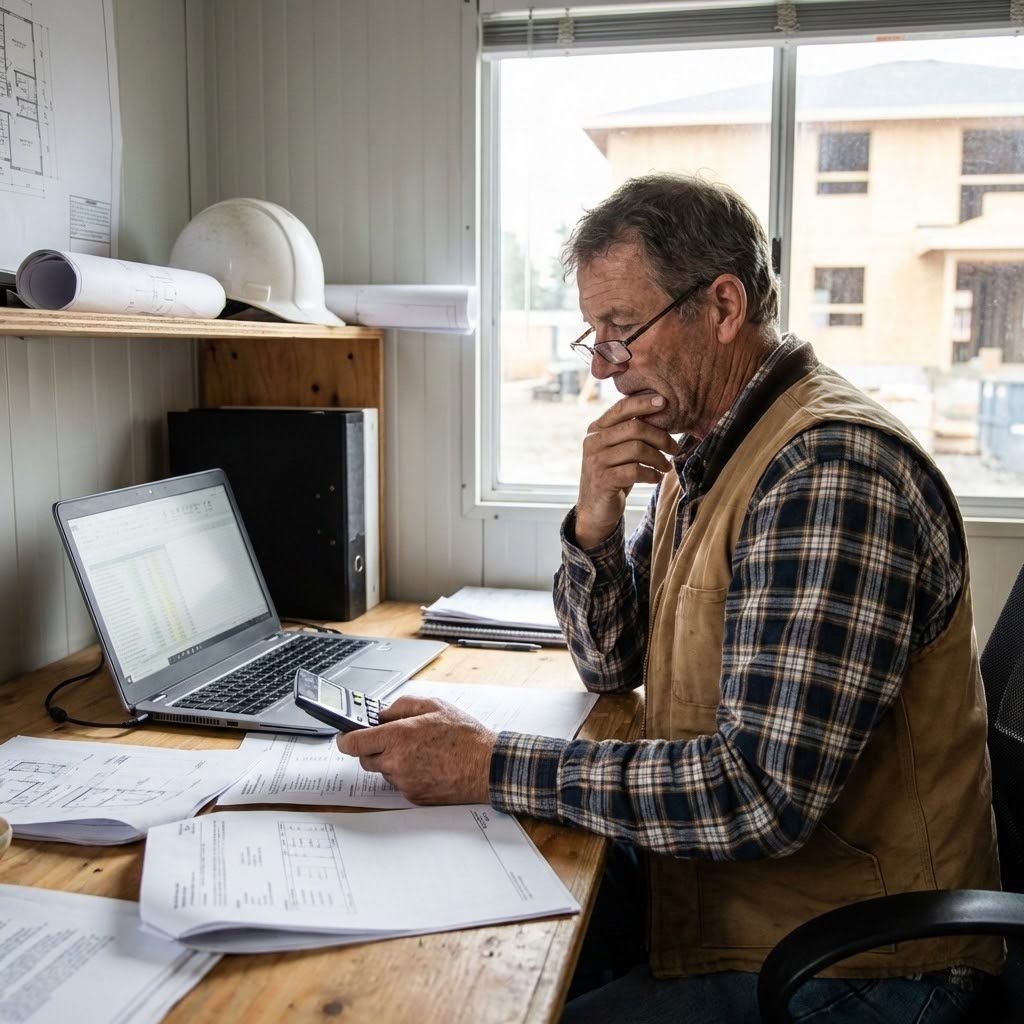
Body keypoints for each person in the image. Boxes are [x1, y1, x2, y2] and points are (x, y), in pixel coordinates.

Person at [338, 174, 1002, 1023]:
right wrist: (594, 521)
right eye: (596, 336)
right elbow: (609, 662)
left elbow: (758, 795)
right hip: (735, 905)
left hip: (861, 965)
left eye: (624, 330)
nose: (607, 367)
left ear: (722, 307)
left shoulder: (827, 472)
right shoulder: (709, 450)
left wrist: (488, 764)